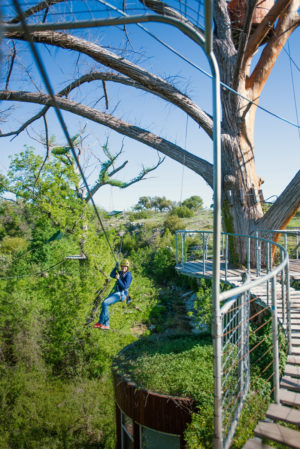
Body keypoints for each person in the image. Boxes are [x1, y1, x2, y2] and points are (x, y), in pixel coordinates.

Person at [94, 259, 132, 330]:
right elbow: (111, 275)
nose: (123, 268)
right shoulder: (120, 273)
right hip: (116, 293)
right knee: (104, 303)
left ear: (127, 268)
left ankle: (105, 324)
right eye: (122, 266)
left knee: (105, 303)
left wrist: (118, 279)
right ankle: (102, 323)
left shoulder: (128, 275)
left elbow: (125, 286)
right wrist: (115, 268)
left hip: (122, 294)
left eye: (125, 267)